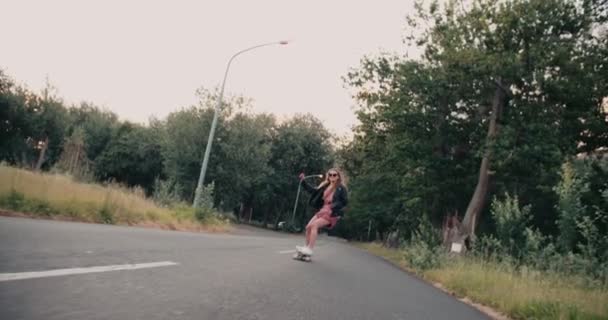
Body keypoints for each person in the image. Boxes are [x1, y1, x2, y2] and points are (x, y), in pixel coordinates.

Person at [296, 168, 348, 256]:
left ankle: (310, 249)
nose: (332, 176)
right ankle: (306, 248)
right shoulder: (325, 185)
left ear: (338, 177)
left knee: (314, 226)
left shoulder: (341, 188)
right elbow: (313, 191)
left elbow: (344, 202)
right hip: (323, 209)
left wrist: (335, 207)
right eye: (330, 174)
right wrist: (303, 181)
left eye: (334, 175)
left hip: (332, 212)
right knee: (308, 227)